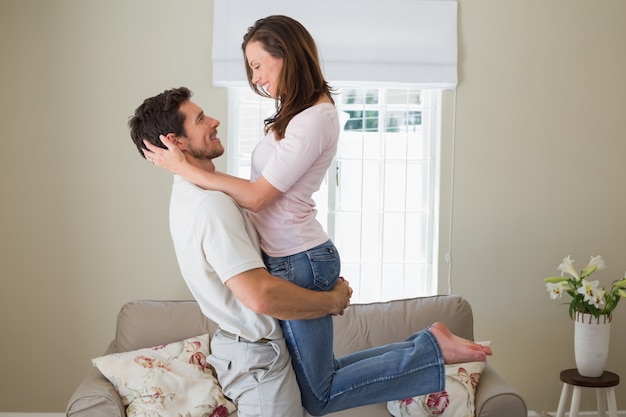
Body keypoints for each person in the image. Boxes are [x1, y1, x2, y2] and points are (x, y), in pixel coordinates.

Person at [135, 87, 492, 416]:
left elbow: (257, 198)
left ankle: (430, 347)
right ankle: (431, 348)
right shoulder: (210, 207)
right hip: (256, 357)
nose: (213, 121)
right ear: (175, 141)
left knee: (324, 385)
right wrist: (332, 302)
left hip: (254, 348)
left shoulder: (192, 194)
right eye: (200, 120)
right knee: (322, 393)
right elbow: (260, 295)